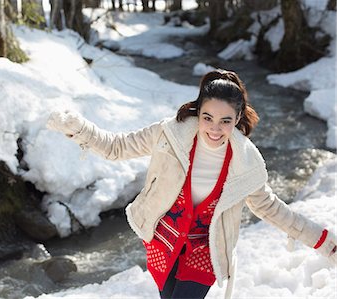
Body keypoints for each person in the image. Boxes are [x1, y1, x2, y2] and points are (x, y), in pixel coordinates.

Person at [46, 69, 336, 299]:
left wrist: (322, 241)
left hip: (205, 251)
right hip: (162, 241)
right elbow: (117, 147)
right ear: (198, 111)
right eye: (208, 117)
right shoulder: (168, 134)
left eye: (225, 121)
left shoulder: (246, 164)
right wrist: (78, 129)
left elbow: (271, 208)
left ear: (237, 120)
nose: (214, 128)